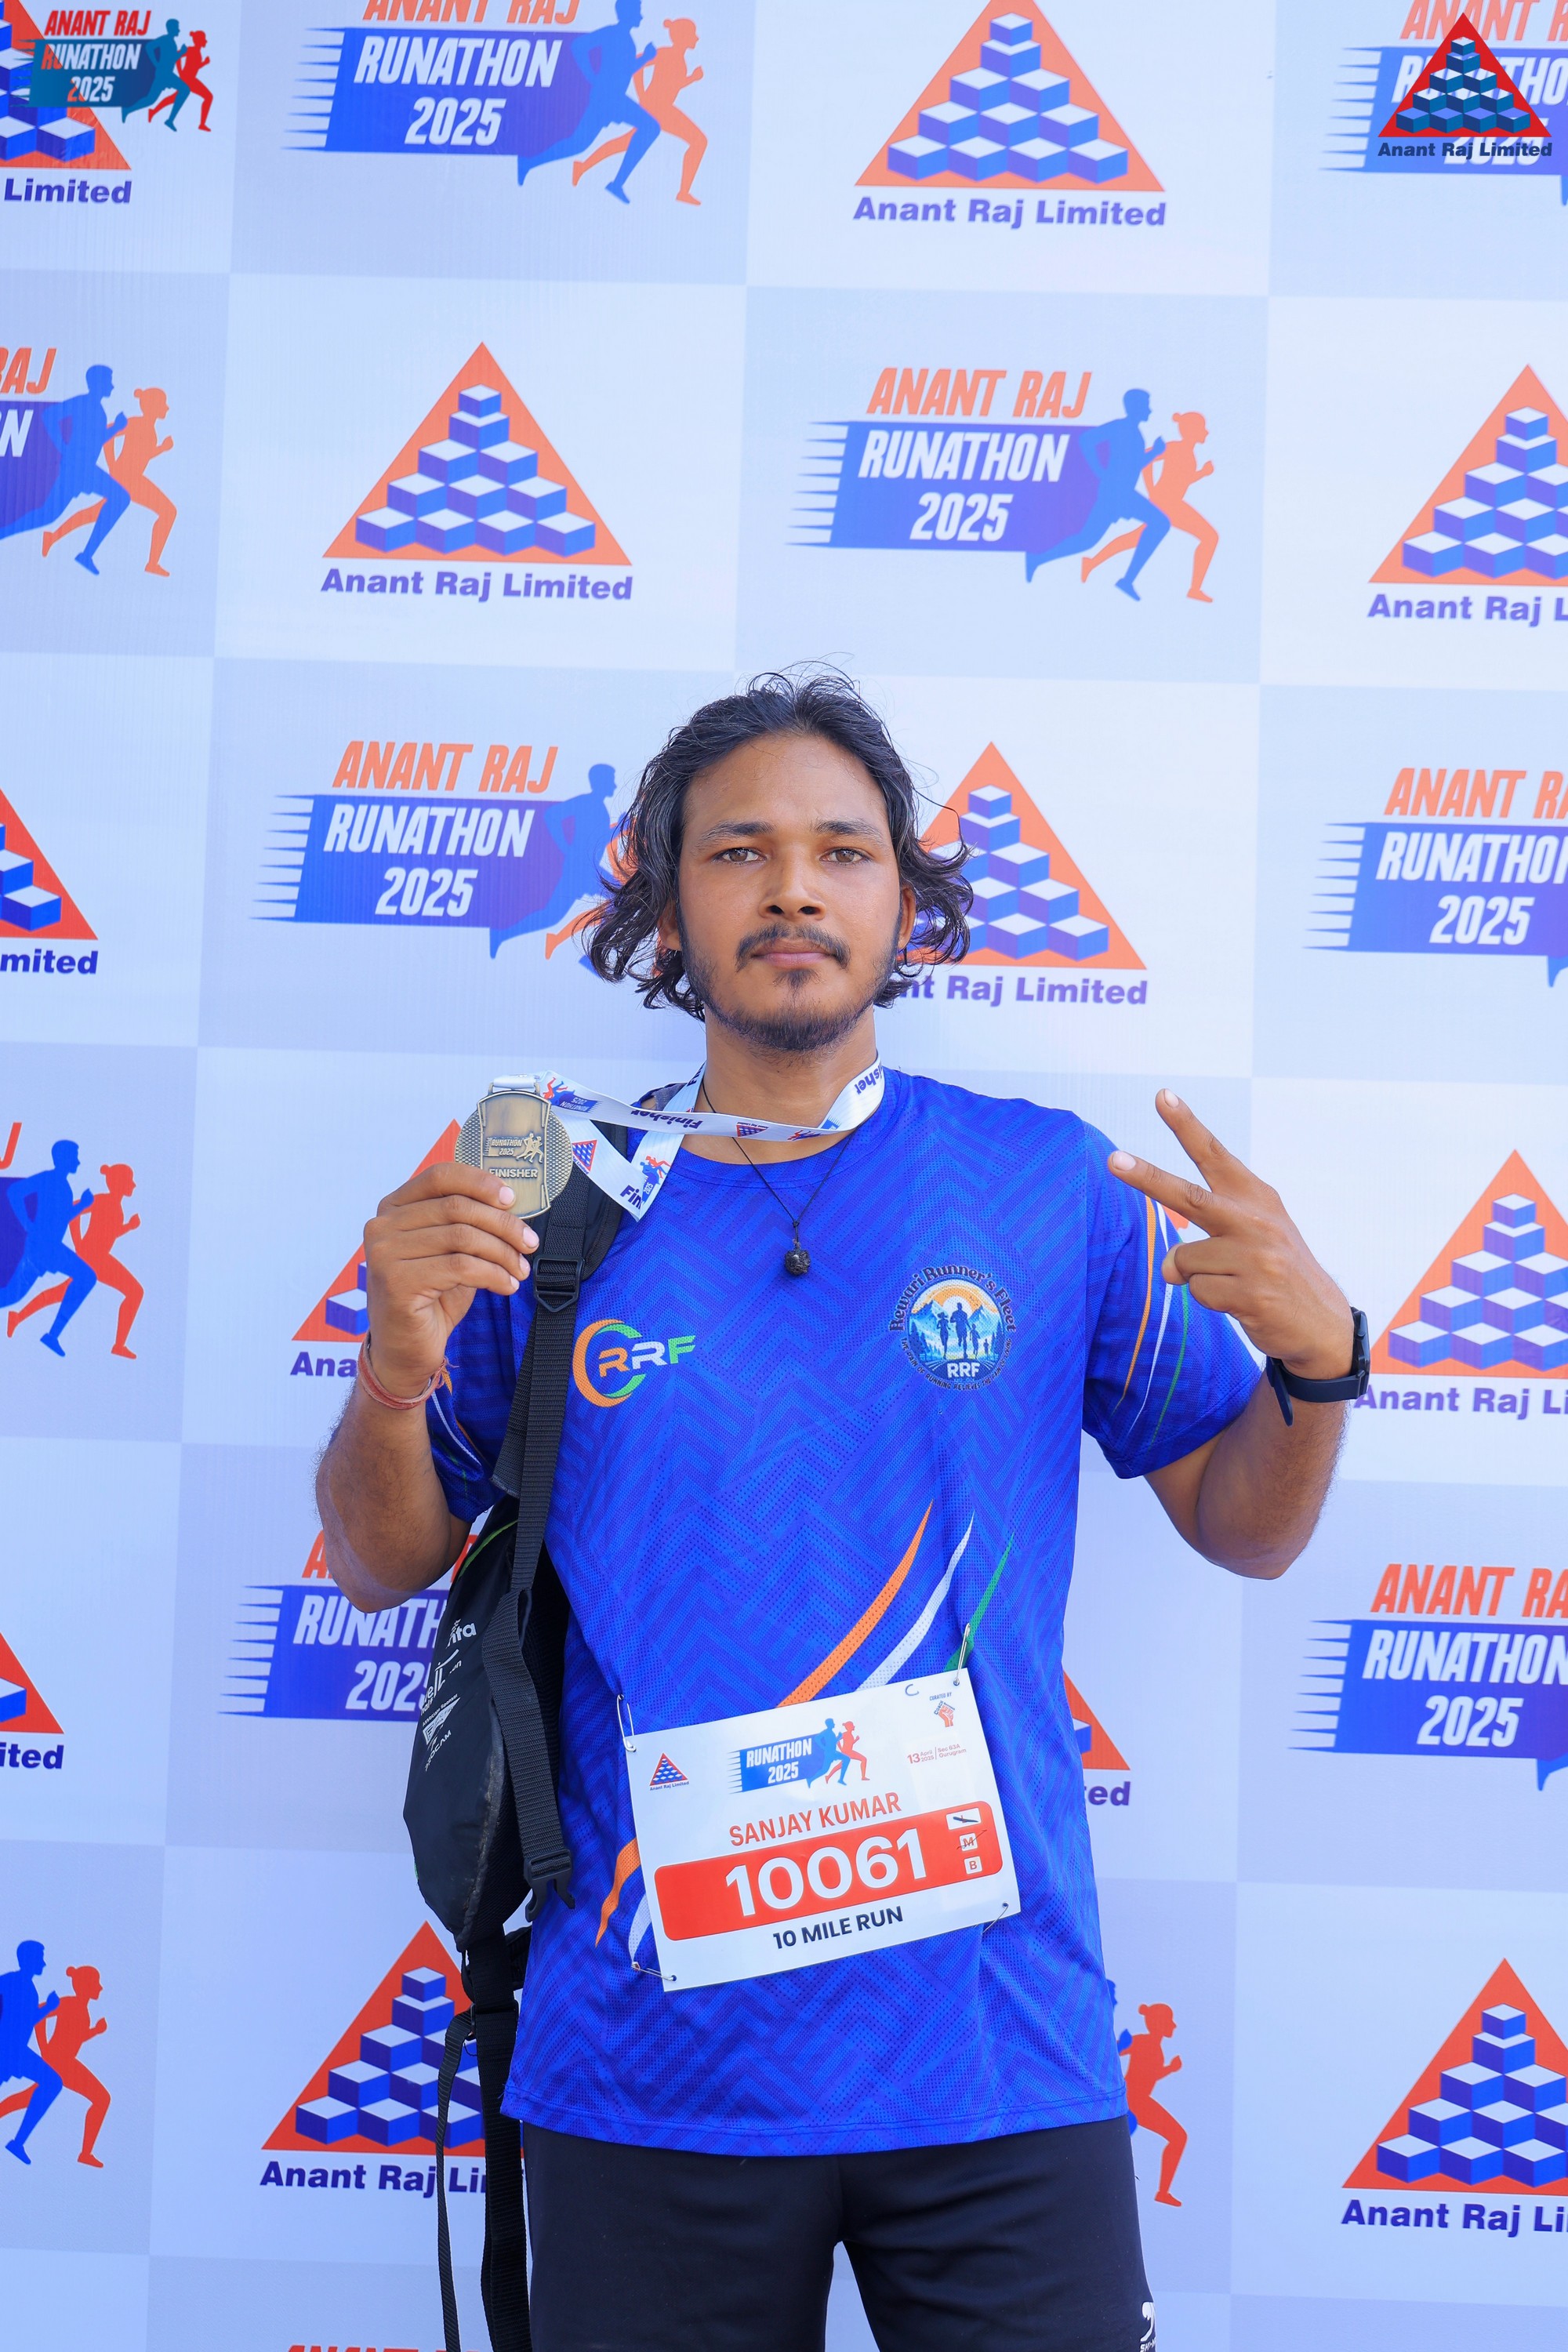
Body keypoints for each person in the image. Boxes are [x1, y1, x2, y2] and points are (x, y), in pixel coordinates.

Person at [317, 670, 1359, 2351]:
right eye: (738, 851)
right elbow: (380, 1562)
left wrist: (1320, 1366)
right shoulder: (545, 1193)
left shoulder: (1048, 1183)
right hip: (646, 2066)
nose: (793, 888)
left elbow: (1248, 1527)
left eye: (842, 851)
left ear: (904, 900)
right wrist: (387, 1371)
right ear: (665, 908)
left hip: (994, 2056)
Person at [1025, 389, 1169, 601]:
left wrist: (1155, 453)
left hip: (1123, 494)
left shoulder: (1135, 434)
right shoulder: (1120, 427)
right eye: (1146, 405)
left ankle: (1039, 558)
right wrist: (1099, 471)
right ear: (1136, 407)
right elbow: (1087, 440)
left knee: (1089, 539)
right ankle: (1038, 558)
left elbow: (1134, 466)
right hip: (1114, 493)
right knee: (1090, 539)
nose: (1150, 410)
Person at [515, 0, 659, 205]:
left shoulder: (626, 40)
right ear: (627, 14)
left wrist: (645, 58)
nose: (641, 16)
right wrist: (591, 77)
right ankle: (529, 162)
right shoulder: (612, 33)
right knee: (580, 144)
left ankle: (529, 162)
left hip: (614, 99)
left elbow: (624, 72)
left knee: (579, 143)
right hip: (606, 99)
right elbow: (578, 46)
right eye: (638, 11)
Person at [0, 365, 129, 574]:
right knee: (47, 515)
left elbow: (95, 441)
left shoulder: (98, 410)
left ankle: (86, 555)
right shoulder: (82, 403)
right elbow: (49, 416)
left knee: (49, 514)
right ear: (97, 383)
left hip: (86, 469)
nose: (112, 386)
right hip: (76, 469)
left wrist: (116, 428)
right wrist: (63, 448)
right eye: (108, 381)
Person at [8, 1160, 143, 1356]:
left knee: (60, 1294)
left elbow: (110, 1234)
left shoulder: (116, 1207)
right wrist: (78, 1243)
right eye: (130, 1181)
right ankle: (118, 1345)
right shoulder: (101, 1200)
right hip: (94, 1257)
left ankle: (18, 1317)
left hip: (100, 1257)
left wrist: (128, 1227)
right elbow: (74, 1211)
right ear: (119, 1183)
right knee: (135, 1292)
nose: (133, 1185)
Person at [1080, 413, 1218, 604]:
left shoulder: (1188, 454)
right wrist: (1151, 490)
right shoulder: (1174, 448)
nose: (1206, 432)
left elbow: (1183, 480)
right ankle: (1194, 589)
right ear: (1192, 431)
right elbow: (1147, 459)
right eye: (1202, 428)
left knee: (1135, 539)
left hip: (1172, 503)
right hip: (1167, 503)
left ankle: (1091, 563)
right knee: (1210, 537)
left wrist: (1202, 473)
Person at [572, 16, 707, 205]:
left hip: (663, 108)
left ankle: (582, 167)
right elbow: (637, 63)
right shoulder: (665, 53)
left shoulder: (679, 59)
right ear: (683, 36)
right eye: (693, 34)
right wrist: (642, 94)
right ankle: (683, 192)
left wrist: (692, 79)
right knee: (699, 141)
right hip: (657, 107)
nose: (697, 38)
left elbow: (672, 86)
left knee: (625, 143)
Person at [43, 390, 176, 578]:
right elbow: (108, 434)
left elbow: (143, 455)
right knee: (168, 512)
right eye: (163, 404)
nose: (167, 408)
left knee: (94, 514)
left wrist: (161, 449)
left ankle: (52, 537)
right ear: (152, 406)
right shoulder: (135, 423)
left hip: (134, 478)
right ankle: (151, 563)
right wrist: (112, 465)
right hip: (127, 478)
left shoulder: (150, 430)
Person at [0, 1964, 109, 2167]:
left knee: (26, 2099)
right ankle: (85, 2154)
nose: (100, 1987)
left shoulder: (83, 2010)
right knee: (102, 2098)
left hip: (66, 2061)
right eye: (96, 1983)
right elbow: (39, 2016)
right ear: (85, 1986)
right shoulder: (68, 2003)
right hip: (60, 2062)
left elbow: (76, 2038)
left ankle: (85, 2154)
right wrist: (44, 2049)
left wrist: (95, 2031)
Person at [0, 1140, 97, 1356]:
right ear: (63, 1159)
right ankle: (52, 1336)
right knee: (11, 1296)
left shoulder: (64, 1187)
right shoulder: (48, 1179)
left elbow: (61, 1219)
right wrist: (27, 1224)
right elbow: (14, 1192)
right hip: (41, 1248)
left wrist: (83, 1205)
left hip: (51, 1248)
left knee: (12, 1295)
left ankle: (52, 1336)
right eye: (75, 1157)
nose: (78, 1162)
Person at [1119, 2002, 1186, 2208]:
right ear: (1159, 2023)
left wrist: (1170, 2069)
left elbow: (1150, 2076)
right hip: (1133, 2099)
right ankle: (1162, 2192)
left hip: (1139, 2099)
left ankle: (1163, 2193)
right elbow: (1114, 2050)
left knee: (1179, 2137)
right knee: (1179, 2137)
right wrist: (1122, 2043)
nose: (1174, 2025)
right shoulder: (1141, 2041)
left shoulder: (1155, 2047)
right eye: (1170, 2021)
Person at [0, 1941, 61, 2165]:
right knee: (53, 2082)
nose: (44, 1963)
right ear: (28, 1960)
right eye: (40, 1958)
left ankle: (18, 2143)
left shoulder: (29, 1989)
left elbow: (25, 2021)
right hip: (6, 2051)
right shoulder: (8, 1982)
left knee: (53, 2082)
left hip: (16, 2052)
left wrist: (48, 2009)